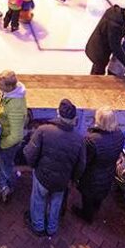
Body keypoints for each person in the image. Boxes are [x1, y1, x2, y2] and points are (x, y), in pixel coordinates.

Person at [23, 99, 85, 237]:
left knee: (38, 200)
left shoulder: (43, 130)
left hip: (42, 176)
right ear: (74, 118)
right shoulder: (79, 139)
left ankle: (38, 226)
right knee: (56, 204)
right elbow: (81, 165)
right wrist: (72, 179)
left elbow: (29, 153)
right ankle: (52, 228)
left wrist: (34, 166)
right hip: (62, 181)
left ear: (58, 113)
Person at [72, 107, 125, 222]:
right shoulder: (119, 134)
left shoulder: (92, 140)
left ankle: (87, 216)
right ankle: (96, 208)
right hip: (108, 173)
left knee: (87, 198)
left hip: (91, 178)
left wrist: (76, 177)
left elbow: (84, 161)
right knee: (100, 194)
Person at [0, 71, 26, 203]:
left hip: (8, 143)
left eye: (1, 85)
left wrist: (2, 144)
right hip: (1, 136)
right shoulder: (5, 93)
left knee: (5, 166)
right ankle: (3, 185)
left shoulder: (15, 105)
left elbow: (17, 135)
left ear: (10, 87)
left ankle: (8, 187)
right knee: (1, 164)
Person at [86, 6, 125, 76]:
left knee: (98, 68)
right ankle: (95, 84)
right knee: (99, 72)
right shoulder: (115, 25)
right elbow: (116, 48)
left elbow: (113, 29)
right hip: (99, 50)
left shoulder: (117, 14)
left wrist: (123, 34)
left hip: (97, 44)